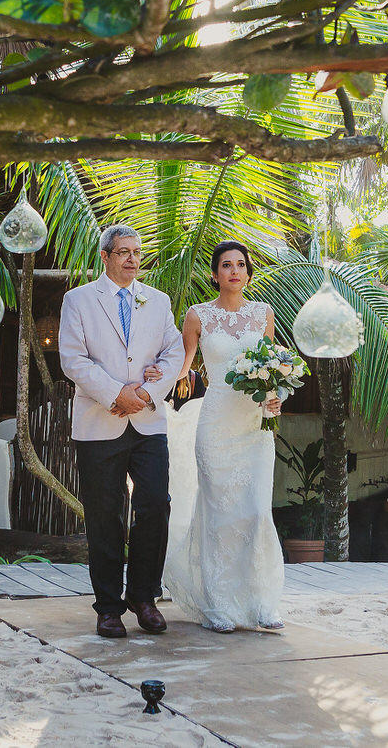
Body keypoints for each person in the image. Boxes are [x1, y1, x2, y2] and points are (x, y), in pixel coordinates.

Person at [57, 224, 183, 639]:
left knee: (155, 505)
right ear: (105, 256)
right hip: (99, 421)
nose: (132, 259)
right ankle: (109, 607)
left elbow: (174, 352)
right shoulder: (77, 301)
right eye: (124, 251)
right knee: (105, 515)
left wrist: (145, 393)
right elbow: (73, 360)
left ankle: (144, 598)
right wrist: (116, 393)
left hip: (148, 422)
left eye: (137, 252)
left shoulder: (158, 300)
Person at [162, 240, 286, 633]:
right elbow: (181, 367)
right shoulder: (197, 316)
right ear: (215, 274)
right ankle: (216, 603)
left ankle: (261, 601)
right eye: (226, 265)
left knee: (255, 512)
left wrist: (275, 397)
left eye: (241, 265)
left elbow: (270, 367)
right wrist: (152, 379)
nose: (234, 271)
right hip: (215, 424)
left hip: (253, 425)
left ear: (249, 273)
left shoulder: (263, 314)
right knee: (218, 516)